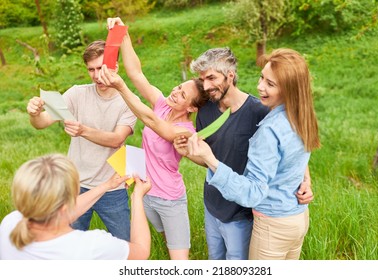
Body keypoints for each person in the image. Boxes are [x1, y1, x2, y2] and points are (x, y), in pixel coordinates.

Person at [174, 47, 314, 260]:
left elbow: (285, 153)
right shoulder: (206, 111)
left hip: (247, 216)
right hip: (215, 206)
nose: (207, 86)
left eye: (212, 78)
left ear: (230, 75)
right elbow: (212, 160)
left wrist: (306, 179)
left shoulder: (262, 115)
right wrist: (190, 153)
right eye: (203, 80)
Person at [101, 17, 209, 260]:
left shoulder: (185, 132)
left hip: (170, 199)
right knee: (163, 240)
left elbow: (151, 122)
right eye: (178, 86)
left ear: (191, 108)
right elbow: (136, 73)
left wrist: (120, 87)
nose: (175, 92)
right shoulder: (161, 103)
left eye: (182, 95)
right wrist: (122, 34)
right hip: (146, 193)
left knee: (179, 262)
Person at [26, 40, 137, 241]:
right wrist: (34, 113)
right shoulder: (77, 92)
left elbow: (116, 139)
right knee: (68, 245)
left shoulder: (128, 102)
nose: (96, 76)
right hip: (75, 185)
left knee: (125, 247)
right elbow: (42, 123)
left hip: (113, 187)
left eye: (101, 68)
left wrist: (83, 130)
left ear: (115, 66)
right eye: (91, 70)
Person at [0, 153, 151, 260]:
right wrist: (137, 197)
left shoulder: (10, 223)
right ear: (65, 206)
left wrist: (106, 185)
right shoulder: (92, 246)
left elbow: (56, 211)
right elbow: (141, 252)